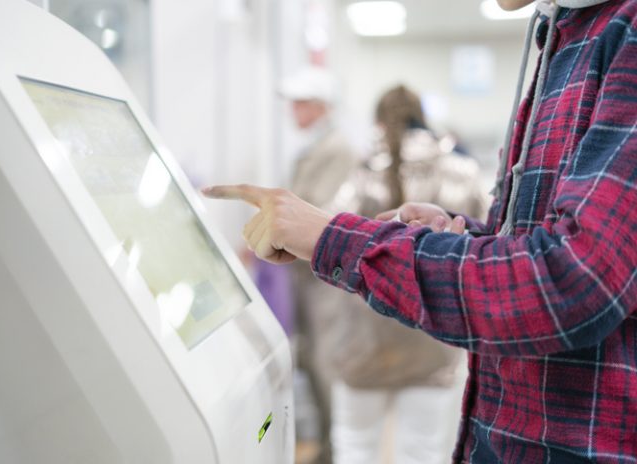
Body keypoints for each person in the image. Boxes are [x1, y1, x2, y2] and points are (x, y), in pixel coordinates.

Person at [204, 0, 637, 462]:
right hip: (475, 389)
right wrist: (461, 239)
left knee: (358, 445)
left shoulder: (621, 36)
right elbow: (531, 244)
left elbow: (571, 279)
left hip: (557, 434)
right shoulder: (566, 37)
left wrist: (334, 235)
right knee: (418, 450)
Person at [326, 84, 485, 464]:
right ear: (422, 118)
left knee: (355, 447)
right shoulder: (461, 170)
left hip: (364, 339)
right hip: (434, 332)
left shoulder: (361, 173)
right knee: (424, 452)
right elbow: (492, 232)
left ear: (379, 122)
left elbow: (327, 231)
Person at [280, 65, 359, 464]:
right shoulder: (315, 147)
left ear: (320, 106)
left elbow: (322, 211)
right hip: (306, 273)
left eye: (300, 104)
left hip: (324, 274)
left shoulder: (338, 149)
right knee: (311, 357)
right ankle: (328, 447)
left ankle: (335, 450)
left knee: (326, 360)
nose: (294, 111)